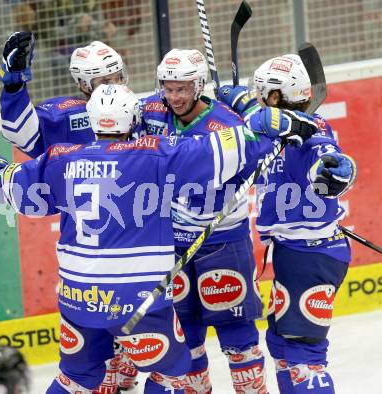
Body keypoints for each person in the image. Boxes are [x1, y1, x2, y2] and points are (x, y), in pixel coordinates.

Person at [0, 83, 292, 393]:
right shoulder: (155, 155)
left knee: (75, 379)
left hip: (78, 298)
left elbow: (10, 184)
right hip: (137, 299)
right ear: (134, 119)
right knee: (172, 375)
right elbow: (223, 149)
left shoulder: (62, 159)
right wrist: (261, 120)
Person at [136, 48, 318, 393]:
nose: (174, 97)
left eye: (183, 89)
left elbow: (267, 149)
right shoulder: (151, 112)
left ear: (199, 85)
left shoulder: (227, 122)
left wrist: (253, 112)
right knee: (185, 332)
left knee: (238, 336)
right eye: (168, 88)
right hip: (173, 241)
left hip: (223, 242)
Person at [0, 32, 136, 393]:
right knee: (99, 372)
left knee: (134, 365)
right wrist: (14, 88)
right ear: (81, 84)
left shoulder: (140, 106)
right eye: (102, 81)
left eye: (117, 76)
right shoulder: (66, 115)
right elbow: (21, 133)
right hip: (89, 256)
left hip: (138, 252)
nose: (113, 86)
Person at [217, 54, 358, 393]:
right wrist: (240, 100)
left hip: (311, 258)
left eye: (263, 92)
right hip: (294, 253)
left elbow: (325, 158)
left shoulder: (309, 131)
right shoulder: (280, 124)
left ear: (277, 96)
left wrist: (336, 170)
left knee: (304, 357)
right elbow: (262, 119)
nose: (259, 96)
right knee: (281, 346)